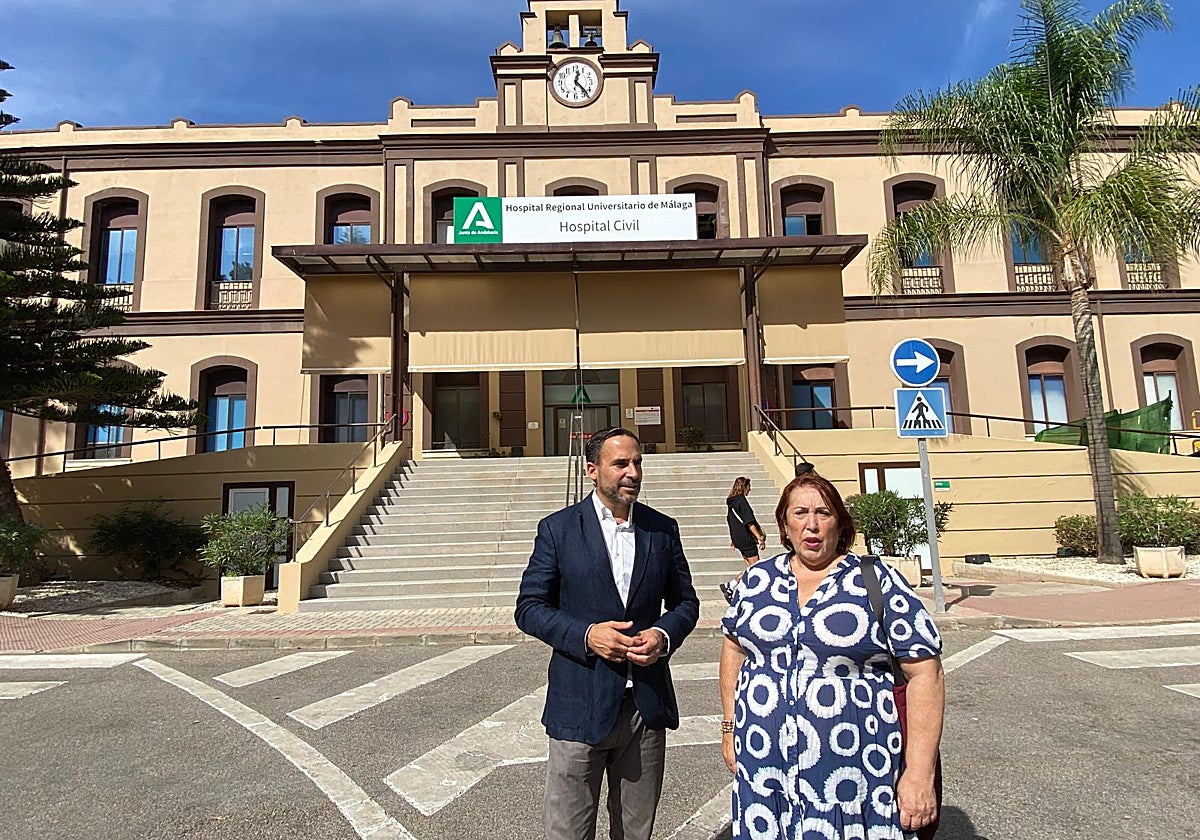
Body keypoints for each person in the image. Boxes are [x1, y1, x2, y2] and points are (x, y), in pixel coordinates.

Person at [718, 472, 944, 839]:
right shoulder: (757, 579)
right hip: (765, 776)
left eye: (823, 513)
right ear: (784, 524)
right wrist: (730, 727)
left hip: (853, 779)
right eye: (800, 513)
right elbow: (733, 647)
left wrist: (919, 774)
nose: (812, 525)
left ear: (840, 524)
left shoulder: (876, 581)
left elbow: (925, 674)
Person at [516, 427, 700, 840]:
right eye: (620, 463)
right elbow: (528, 608)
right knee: (568, 832)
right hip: (578, 706)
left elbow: (686, 603)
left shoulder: (662, 529)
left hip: (644, 710)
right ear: (592, 471)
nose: (632, 472)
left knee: (636, 833)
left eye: (637, 462)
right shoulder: (558, 529)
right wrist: (586, 635)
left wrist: (662, 637)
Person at [718, 476, 767, 604]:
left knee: (750, 566)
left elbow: (731, 522)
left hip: (738, 539)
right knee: (756, 566)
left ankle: (741, 590)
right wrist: (759, 537)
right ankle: (731, 585)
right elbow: (749, 521)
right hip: (746, 539)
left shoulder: (731, 503)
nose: (749, 490)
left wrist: (733, 539)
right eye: (749, 487)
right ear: (744, 487)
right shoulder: (741, 501)